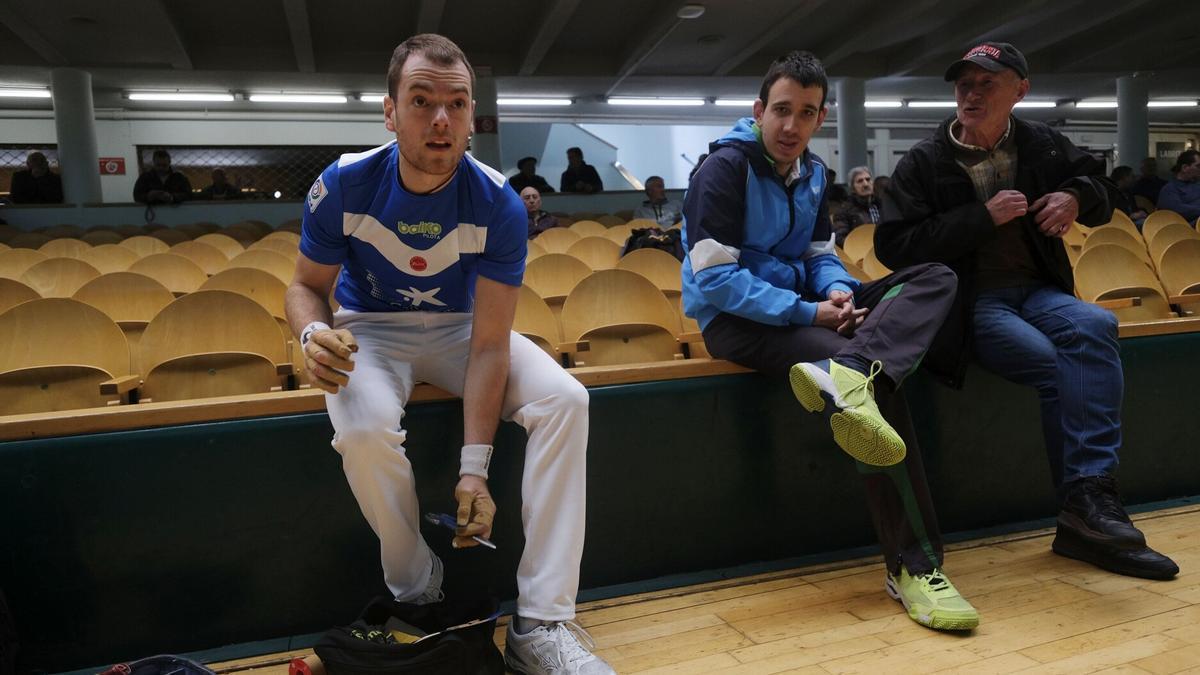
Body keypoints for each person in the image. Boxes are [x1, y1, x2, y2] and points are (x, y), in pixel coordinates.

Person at [284, 33, 613, 675]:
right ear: (390, 111)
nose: (441, 118)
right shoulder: (343, 184)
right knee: (364, 428)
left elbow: (489, 343)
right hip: (371, 329)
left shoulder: (498, 202)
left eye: (457, 104)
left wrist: (473, 469)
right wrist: (309, 337)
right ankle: (417, 587)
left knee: (566, 400)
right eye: (422, 100)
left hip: (465, 328)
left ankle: (542, 623)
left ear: (470, 115)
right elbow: (304, 287)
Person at [682, 50, 978, 632]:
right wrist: (810, 312)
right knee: (881, 392)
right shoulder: (722, 170)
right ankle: (913, 567)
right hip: (737, 323)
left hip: (808, 310)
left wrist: (840, 294)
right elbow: (715, 280)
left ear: (821, 119)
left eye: (807, 113)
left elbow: (820, 256)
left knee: (936, 276)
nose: (792, 126)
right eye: (782, 111)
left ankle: (857, 368)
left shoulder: (814, 173)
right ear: (759, 110)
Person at [877, 42, 1179, 581]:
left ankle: (1089, 501)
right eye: (963, 84)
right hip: (972, 302)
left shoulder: (1042, 144)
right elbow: (895, 247)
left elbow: (1104, 185)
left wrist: (1075, 199)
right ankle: (1085, 512)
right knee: (1054, 363)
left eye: (985, 83)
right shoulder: (925, 161)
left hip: (1039, 291)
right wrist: (980, 218)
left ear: (1020, 90)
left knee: (1098, 323)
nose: (971, 93)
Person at [832, 165, 881, 246]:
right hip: (859, 254)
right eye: (860, 181)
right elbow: (840, 238)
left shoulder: (882, 205)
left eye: (868, 179)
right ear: (852, 188)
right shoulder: (844, 211)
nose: (865, 184)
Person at [1156, 149, 1200, 223]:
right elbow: (1177, 210)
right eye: (1198, 166)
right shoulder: (1169, 189)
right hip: (1183, 229)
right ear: (1185, 168)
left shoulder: (1197, 185)